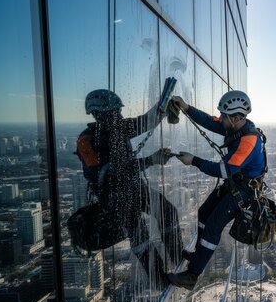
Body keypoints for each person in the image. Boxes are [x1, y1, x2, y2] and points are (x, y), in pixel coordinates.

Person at [76, 89, 181, 287]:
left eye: (118, 112)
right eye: (115, 112)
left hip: (133, 187)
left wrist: (163, 106)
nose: (120, 115)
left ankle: (177, 257)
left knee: (167, 210)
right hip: (114, 196)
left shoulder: (119, 128)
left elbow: (146, 121)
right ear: (99, 114)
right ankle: (159, 279)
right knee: (139, 235)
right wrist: (151, 160)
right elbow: (111, 173)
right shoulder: (87, 141)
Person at [166, 90, 265, 290]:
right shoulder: (238, 127)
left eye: (224, 116)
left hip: (244, 190)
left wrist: (193, 161)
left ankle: (192, 275)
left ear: (236, 118)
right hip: (236, 184)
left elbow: (224, 170)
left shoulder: (248, 141)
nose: (221, 119)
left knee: (213, 226)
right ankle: (197, 255)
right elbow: (210, 121)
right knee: (203, 213)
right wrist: (185, 107)